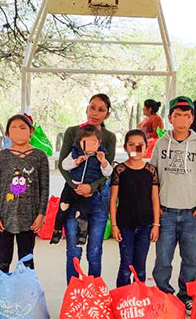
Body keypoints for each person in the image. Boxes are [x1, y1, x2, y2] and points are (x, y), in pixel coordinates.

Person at [151, 96, 196, 315]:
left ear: (192, 119)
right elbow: (153, 178)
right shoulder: (161, 143)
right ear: (170, 118)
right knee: (163, 257)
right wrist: (155, 208)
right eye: (177, 115)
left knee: (191, 259)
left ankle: (186, 295)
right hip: (166, 212)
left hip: (191, 213)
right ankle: (163, 294)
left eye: (187, 116)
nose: (182, 120)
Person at [0, 114, 48, 319]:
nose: (18, 131)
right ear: (7, 133)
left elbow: (44, 188)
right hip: (4, 218)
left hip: (29, 219)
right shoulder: (3, 157)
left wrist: (41, 214)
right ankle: (0, 302)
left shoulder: (39, 156)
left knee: (26, 260)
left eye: (23, 127)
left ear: (31, 131)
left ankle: (26, 301)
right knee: (3, 259)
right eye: (13, 127)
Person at [57, 94, 116, 283]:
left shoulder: (109, 137)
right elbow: (62, 164)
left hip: (98, 197)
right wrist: (75, 186)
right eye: (92, 107)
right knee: (73, 248)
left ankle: (94, 292)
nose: (95, 113)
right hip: (73, 197)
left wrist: (91, 187)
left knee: (95, 249)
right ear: (87, 109)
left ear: (107, 114)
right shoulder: (72, 132)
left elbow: (107, 170)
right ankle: (73, 292)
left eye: (101, 109)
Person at [110, 129, 160, 288]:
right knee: (125, 265)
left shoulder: (151, 171)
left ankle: (138, 299)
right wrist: (114, 226)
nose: (136, 149)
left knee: (140, 266)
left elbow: (155, 200)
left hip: (145, 225)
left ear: (146, 148)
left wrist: (156, 225)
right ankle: (122, 299)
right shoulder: (119, 171)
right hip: (125, 226)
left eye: (140, 145)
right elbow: (113, 200)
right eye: (131, 145)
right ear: (125, 147)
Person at [53, 124, 112, 245]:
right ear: (80, 142)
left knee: (83, 213)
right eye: (86, 143)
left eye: (94, 143)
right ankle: (57, 230)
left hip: (87, 191)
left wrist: (104, 162)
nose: (90, 146)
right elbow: (64, 165)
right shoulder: (75, 153)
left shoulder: (100, 156)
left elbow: (108, 173)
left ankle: (82, 235)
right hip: (71, 188)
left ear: (99, 143)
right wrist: (76, 161)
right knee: (63, 209)